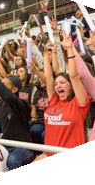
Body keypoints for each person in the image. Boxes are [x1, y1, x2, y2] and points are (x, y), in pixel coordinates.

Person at [0, 56, 35, 179]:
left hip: (23, 147)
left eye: (5, 86)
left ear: (14, 89)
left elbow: (7, 95)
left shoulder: (22, 104)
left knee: (12, 160)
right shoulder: (0, 104)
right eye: (2, 85)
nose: (1, 88)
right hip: (5, 144)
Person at [39, 31, 90, 159]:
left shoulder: (79, 104)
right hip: (48, 153)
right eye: (57, 84)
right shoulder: (54, 101)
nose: (58, 86)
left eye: (62, 83)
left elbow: (74, 76)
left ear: (71, 86)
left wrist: (69, 49)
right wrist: (45, 54)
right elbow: (49, 78)